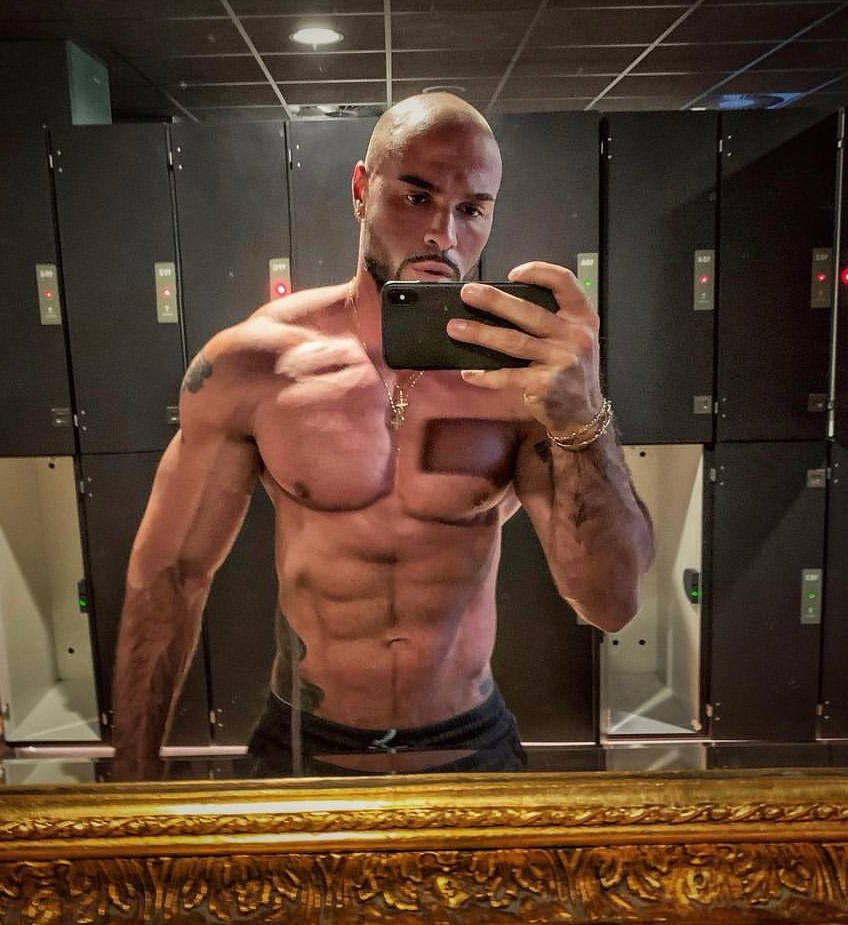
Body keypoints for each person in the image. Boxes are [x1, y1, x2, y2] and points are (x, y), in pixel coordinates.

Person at [111, 92, 654, 780]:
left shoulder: (521, 381)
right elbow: (169, 578)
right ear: (361, 190)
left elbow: (610, 602)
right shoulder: (257, 365)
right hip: (304, 745)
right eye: (417, 197)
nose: (442, 235)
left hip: (470, 745)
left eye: (471, 209)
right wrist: (130, 785)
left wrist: (582, 417)